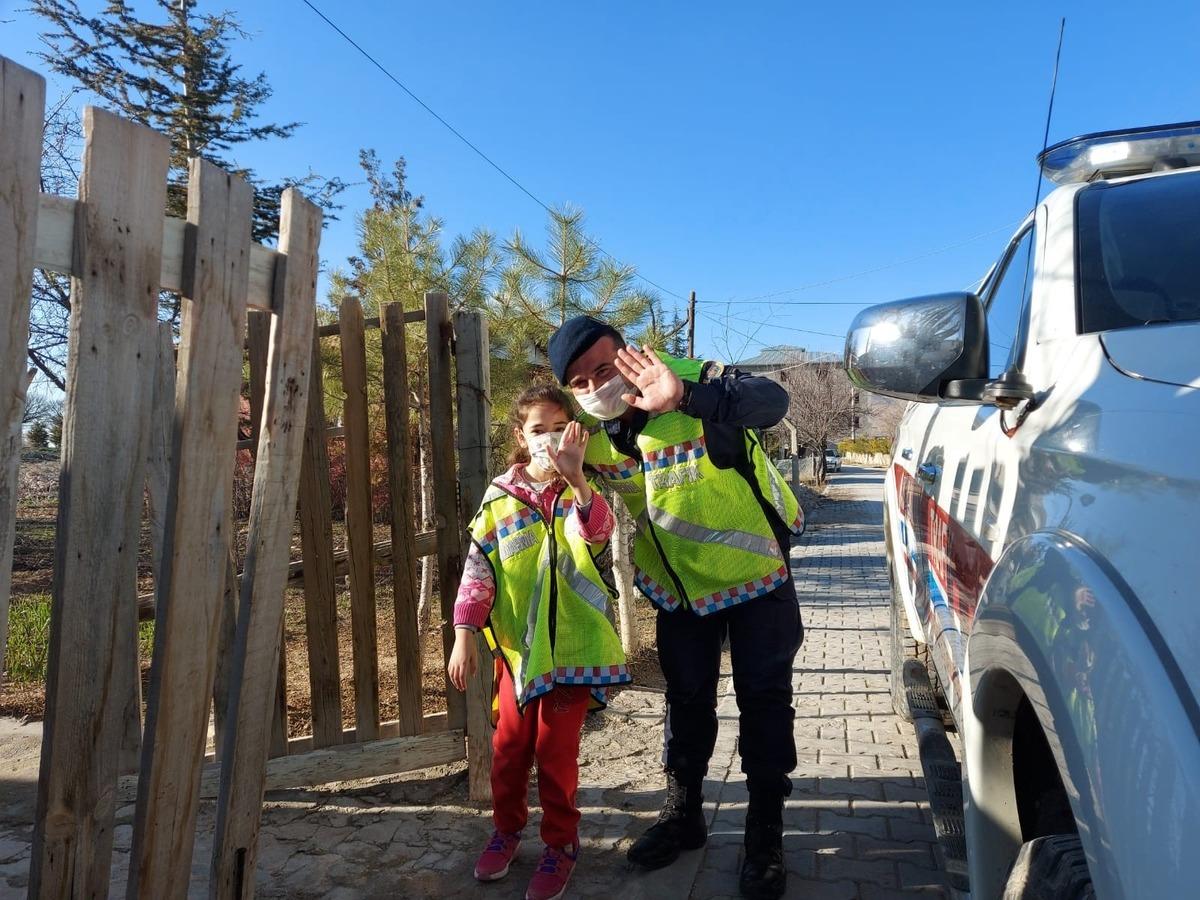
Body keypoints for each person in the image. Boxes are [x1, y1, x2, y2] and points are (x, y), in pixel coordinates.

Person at [547, 316, 805, 900]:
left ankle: (765, 832)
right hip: (679, 590)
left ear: (629, 353)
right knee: (686, 701)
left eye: (603, 369)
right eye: (580, 382)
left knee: (763, 701)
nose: (594, 387)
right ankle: (684, 814)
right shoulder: (588, 429)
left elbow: (773, 400)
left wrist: (687, 395)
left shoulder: (690, 378)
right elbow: (539, 469)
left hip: (755, 574)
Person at [447, 382, 629, 900]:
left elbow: (597, 533)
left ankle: (561, 844)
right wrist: (464, 637)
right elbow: (478, 571)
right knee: (507, 750)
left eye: (557, 429)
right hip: (519, 656)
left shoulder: (580, 490)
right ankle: (505, 832)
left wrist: (577, 479)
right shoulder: (500, 498)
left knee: (555, 755)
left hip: (574, 654)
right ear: (519, 437)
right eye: (537, 430)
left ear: (574, 433)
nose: (548, 439)